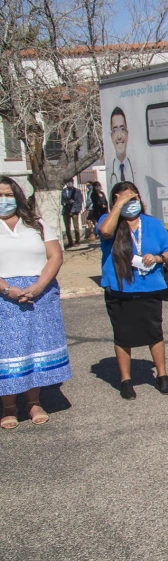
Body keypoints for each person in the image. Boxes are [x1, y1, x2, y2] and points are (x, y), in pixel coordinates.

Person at [0, 177, 70, 429]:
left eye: (8, 194)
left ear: (17, 196)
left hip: (39, 294)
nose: (4, 200)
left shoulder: (35, 223)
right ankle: (8, 406)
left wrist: (39, 286)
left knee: (33, 347)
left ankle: (33, 402)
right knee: (7, 352)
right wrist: (8, 289)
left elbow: (55, 255)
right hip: (4, 296)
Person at [97, 182, 168, 400]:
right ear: (116, 199)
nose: (131, 204)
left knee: (155, 332)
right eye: (126, 199)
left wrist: (159, 258)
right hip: (120, 289)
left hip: (149, 287)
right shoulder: (110, 223)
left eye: (134, 199)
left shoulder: (153, 224)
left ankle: (162, 375)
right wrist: (118, 206)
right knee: (123, 335)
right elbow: (105, 232)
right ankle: (125, 380)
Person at [108, 107, 134, 184]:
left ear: (127, 133)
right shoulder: (110, 171)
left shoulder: (137, 169)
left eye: (122, 129)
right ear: (111, 136)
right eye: (115, 130)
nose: (119, 137)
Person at [60, 180, 84, 248]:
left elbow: (80, 201)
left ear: (73, 183)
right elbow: (62, 201)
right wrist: (65, 203)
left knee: (76, 226)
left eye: (70, 182)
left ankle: (77, 241)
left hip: (74, 210)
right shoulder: (63, 191)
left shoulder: (77, 191)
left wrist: (78, 209)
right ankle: (70, 242)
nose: (69, 183)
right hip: (66, 210)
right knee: (67, 227)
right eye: (68, 182)